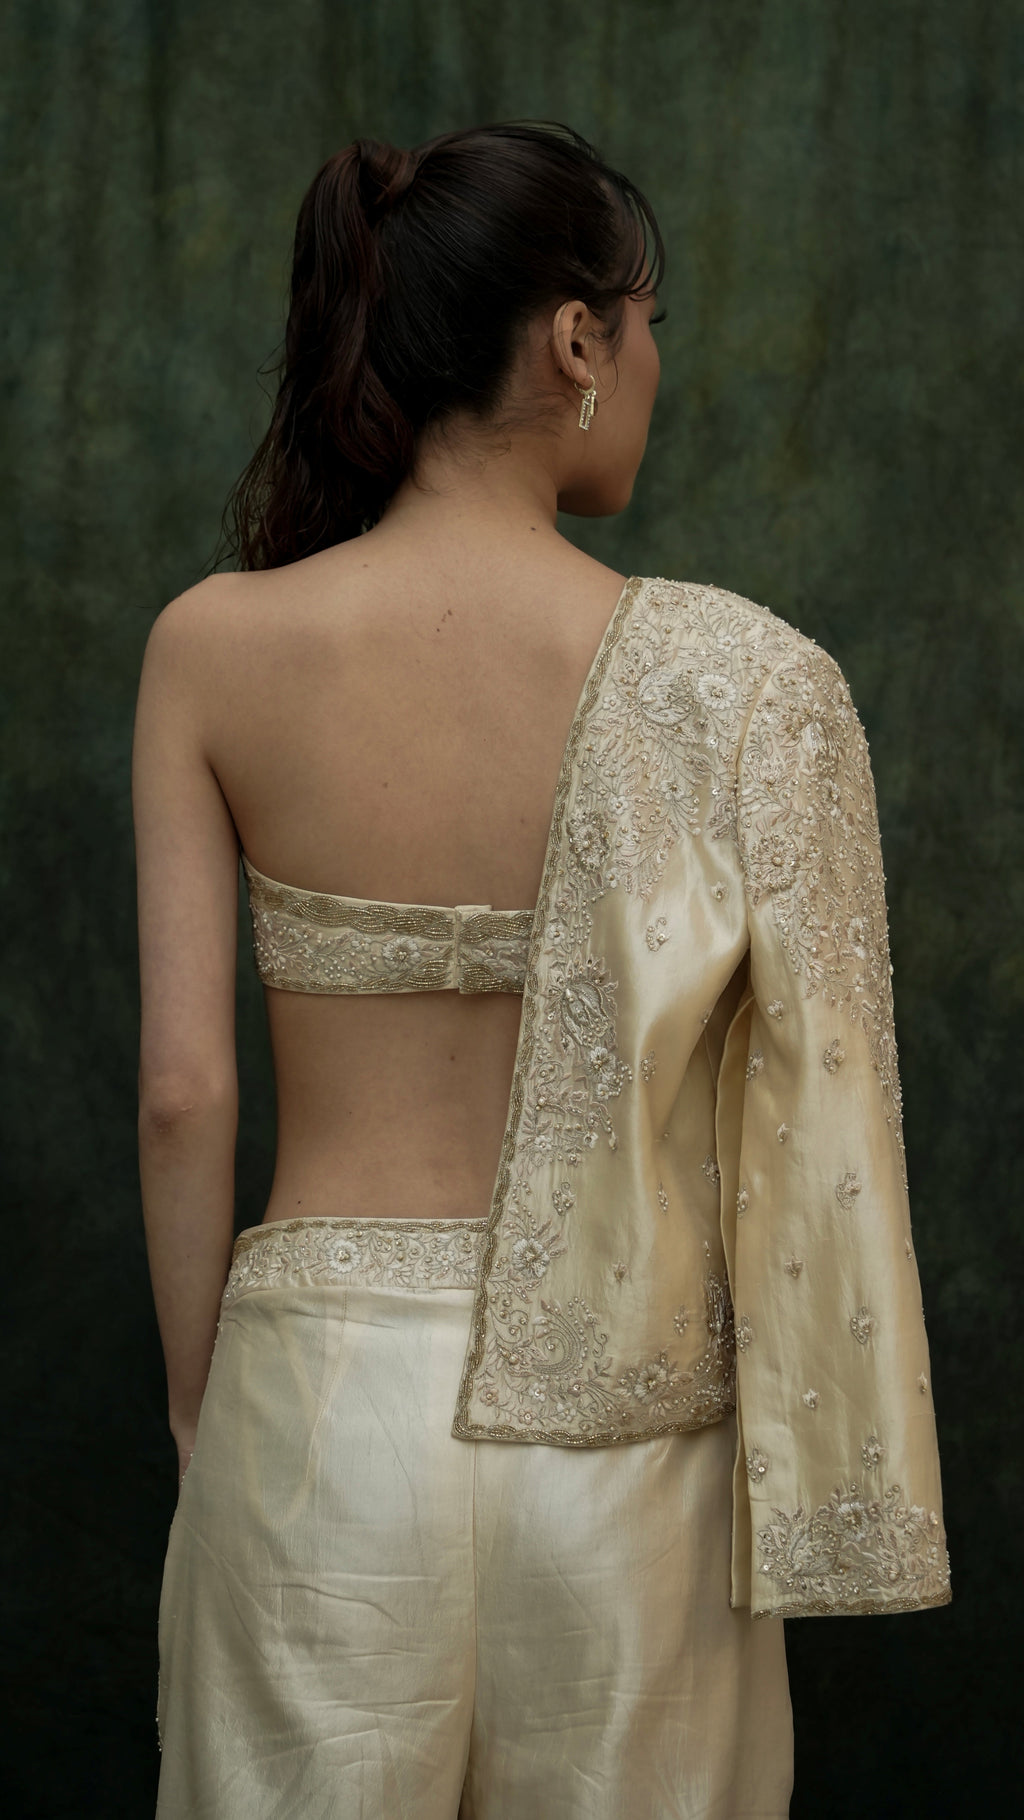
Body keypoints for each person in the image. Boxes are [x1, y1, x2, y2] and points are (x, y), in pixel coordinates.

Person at [133, 121, 949, 1820]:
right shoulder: (750, 683)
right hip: (628, 1443)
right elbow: (818, 1133)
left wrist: (210, 1411)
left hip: (315, 1409)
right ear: (578, 339)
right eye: (648, 327)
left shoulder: (213, 645)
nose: (653, 367)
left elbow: (185, 1094)